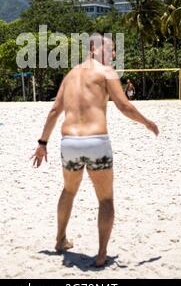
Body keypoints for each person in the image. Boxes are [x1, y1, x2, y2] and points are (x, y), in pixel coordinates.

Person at [31, 34, 159, 267]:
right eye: (109, 50)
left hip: (69, 142)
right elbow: (124, 106)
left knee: (68, 191)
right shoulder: (107, 72)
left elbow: (54, 111)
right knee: (106, 198)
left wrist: (42, 143)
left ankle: (60, 240)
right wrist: (147, 122)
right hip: (95, 141)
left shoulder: (70, 75)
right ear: (94, 50)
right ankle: (101, 254)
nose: (112, 55)